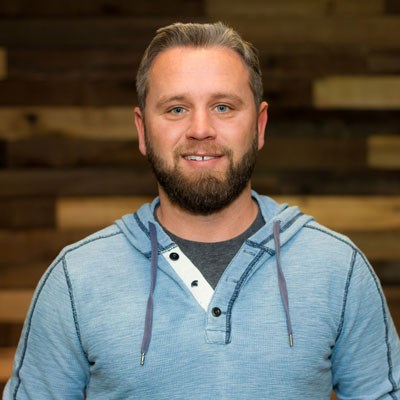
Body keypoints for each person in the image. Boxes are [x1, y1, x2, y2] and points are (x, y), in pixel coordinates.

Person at [3, 22, 400, 400]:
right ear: (142, 130)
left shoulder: (338, 269)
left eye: (223, 107)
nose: (200, 129)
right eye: (176, 109)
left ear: (260, 125)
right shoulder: (75, 279)